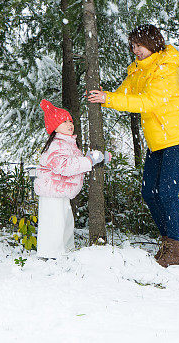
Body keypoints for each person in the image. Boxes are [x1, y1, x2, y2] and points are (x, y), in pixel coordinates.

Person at [87, 25, 179, 267]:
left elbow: (149, 102)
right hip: (158, 140)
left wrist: (110, 99)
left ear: (153, 43)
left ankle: (174, 251)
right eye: (133, 46)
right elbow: (126, 91)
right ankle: (168, 242)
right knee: (149, 193)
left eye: (140, 45)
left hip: (178, 139)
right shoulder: (139, 69)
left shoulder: (165, 68)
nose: (136, 50)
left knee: (167, 193)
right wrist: (105, 96)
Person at [35, 99, 109, 258]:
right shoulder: (56, 145)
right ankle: (50, 253)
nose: (70, 124)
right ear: (55, 127)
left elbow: (77, 162)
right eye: (64, 121)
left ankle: (66, 250)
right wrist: (89, 161)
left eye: (70, 121)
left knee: (66, 223)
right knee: (54, 223)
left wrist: (96, 159)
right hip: (51, 191)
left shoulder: (68, 143)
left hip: (60, 191)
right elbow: (65, 167)